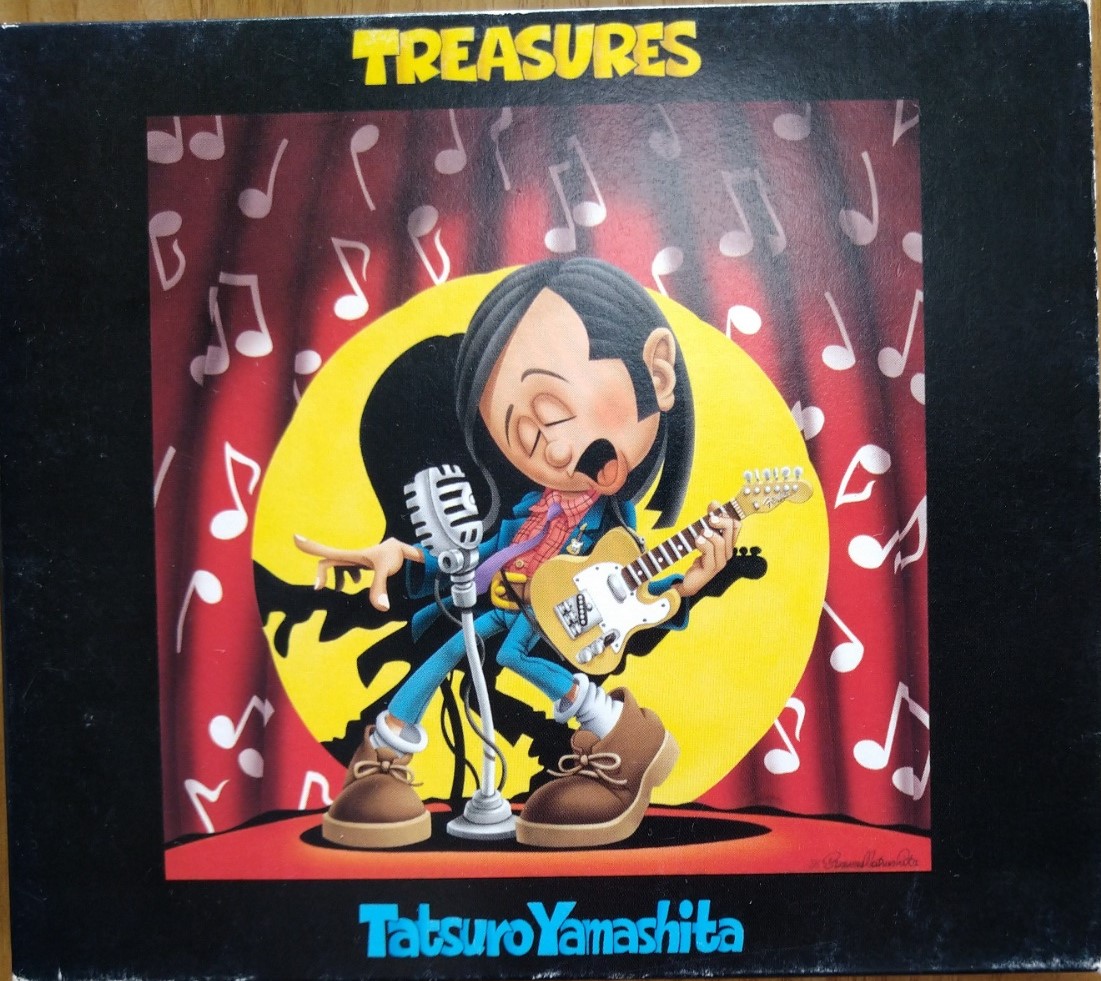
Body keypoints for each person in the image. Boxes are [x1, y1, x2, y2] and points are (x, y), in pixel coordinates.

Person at [296, 258, 739, 849]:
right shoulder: (528, 507)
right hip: (509, 605)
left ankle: (620, 733)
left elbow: (632, 595)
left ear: (656, 371)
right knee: (450, 650)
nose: (551, 450)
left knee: (508, 655)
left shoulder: (611, 530)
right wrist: (408, 555)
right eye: (521, 435)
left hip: (553, 617)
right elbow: (481, 556)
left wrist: (685, 587)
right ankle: (386, 752)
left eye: (553, 411)